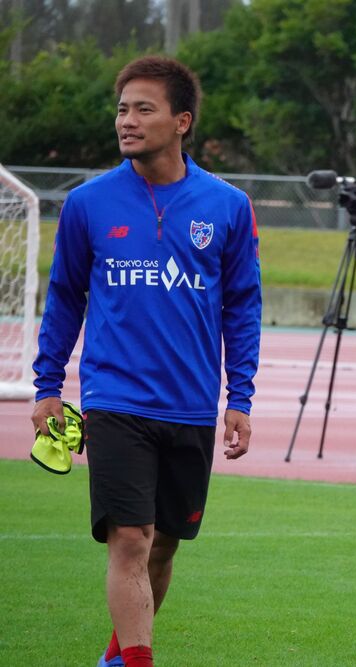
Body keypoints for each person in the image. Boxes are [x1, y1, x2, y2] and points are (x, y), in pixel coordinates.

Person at [30, 55, 262, 667]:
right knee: (131, 539)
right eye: (121, 109)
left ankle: (118, 653)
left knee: (162, 547)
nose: (126, 121)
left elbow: (243, 306)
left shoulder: (228, 205)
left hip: (190, 405)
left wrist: (239, 398)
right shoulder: (87, 203)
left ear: (182, 121)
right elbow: (64, 297)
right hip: (114, 400)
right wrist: (47, 384)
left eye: (143, 109)